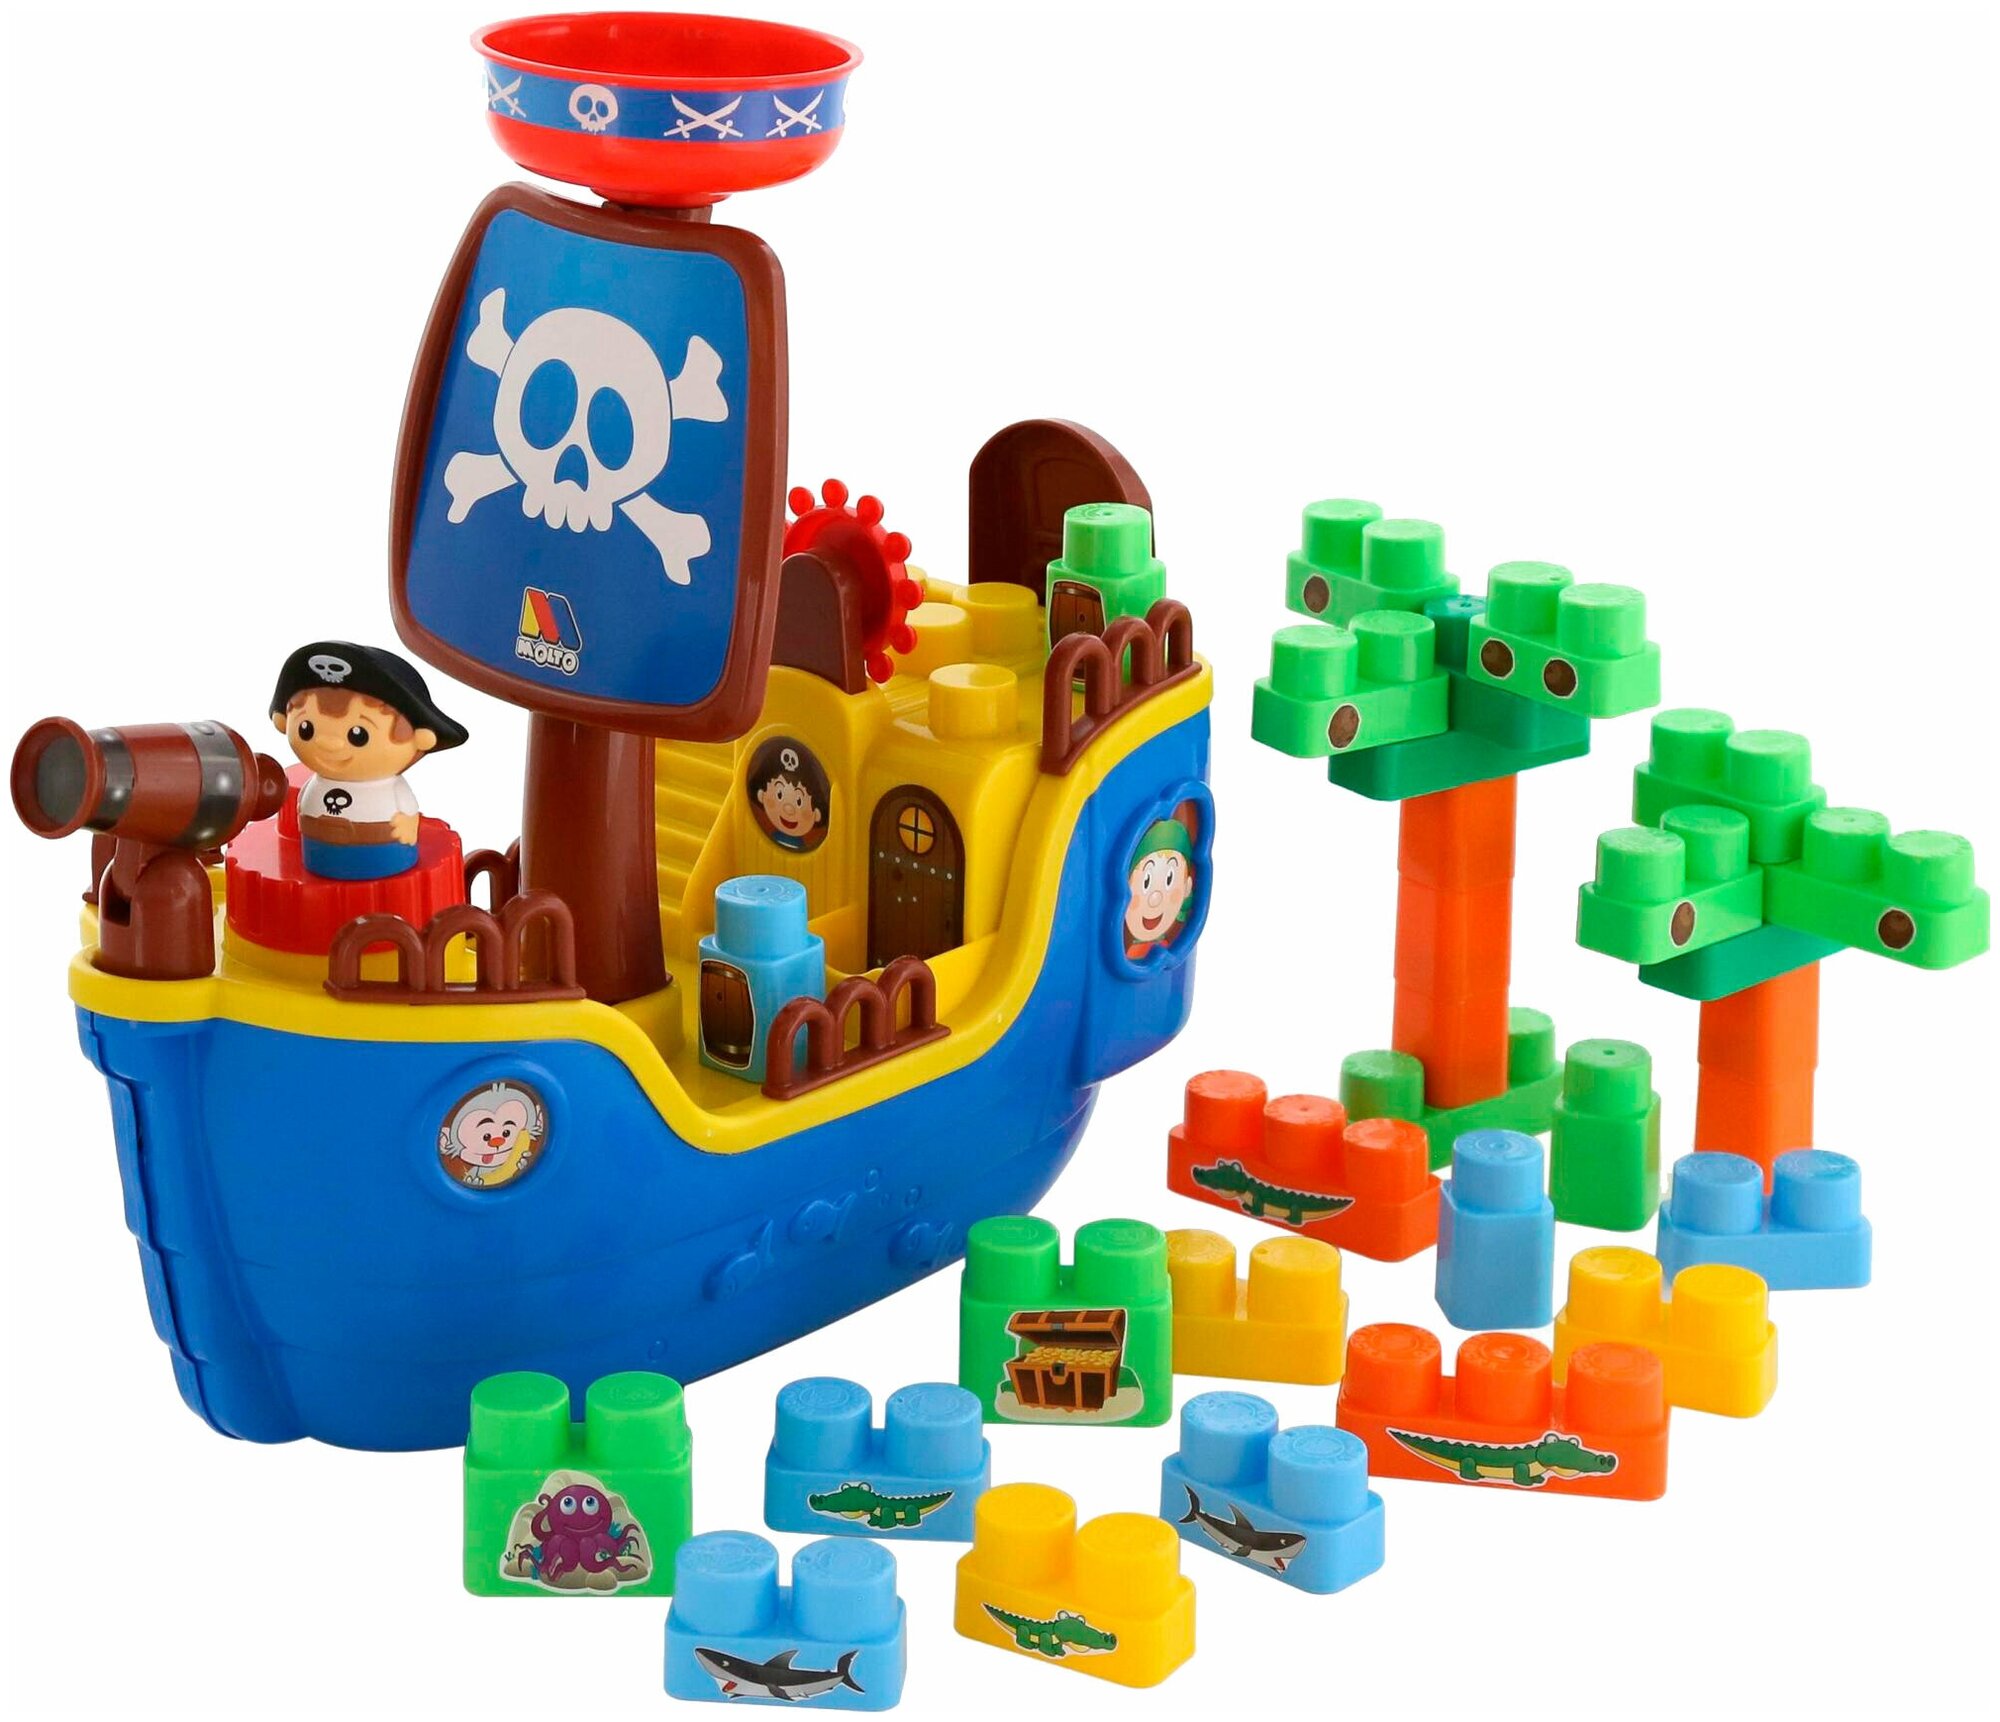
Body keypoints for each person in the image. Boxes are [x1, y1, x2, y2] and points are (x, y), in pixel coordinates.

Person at [269, 641, 468, 880]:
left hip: (385, 858)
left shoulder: (390, 789)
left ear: (421, 738)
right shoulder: (316, 784)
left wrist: (407, 824)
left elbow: (407, 812)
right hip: (319, 853)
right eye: (306, 729)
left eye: (358, 735)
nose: (330, 743)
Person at [1124, 817, 1197, 958]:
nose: (1155, 898)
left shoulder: (1171, 943)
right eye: (1146, 882)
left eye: (1170, 879)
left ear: (1187, 886)